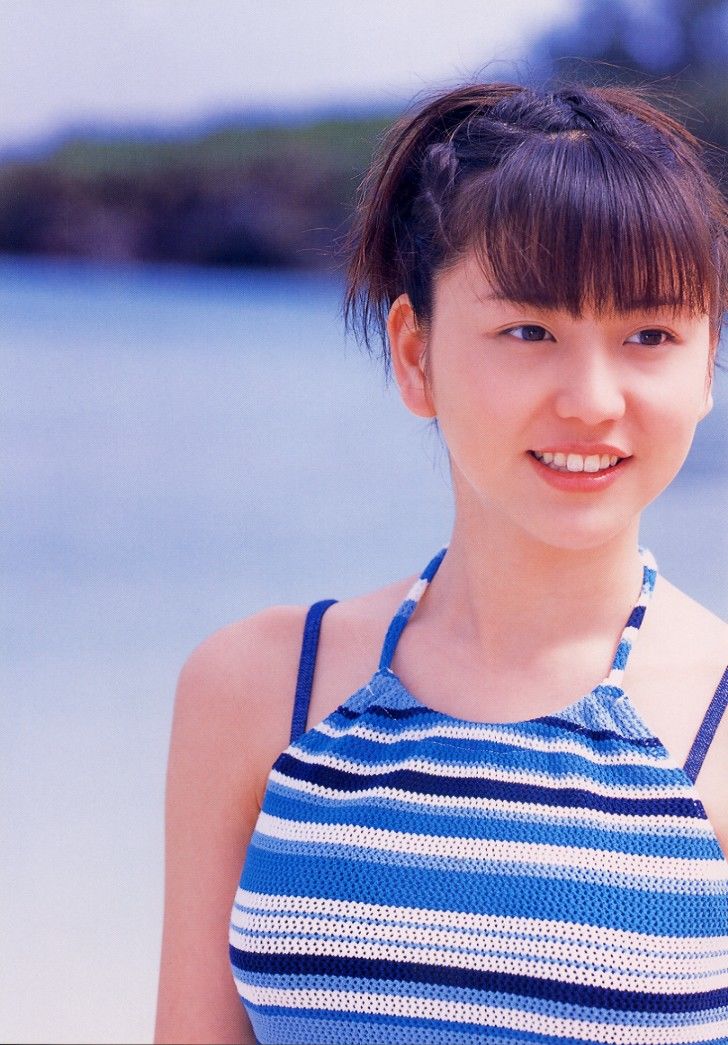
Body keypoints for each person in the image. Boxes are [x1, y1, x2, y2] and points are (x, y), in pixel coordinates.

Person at [154, 82, 728, 1045]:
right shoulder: (258, 691)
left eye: (650, 335)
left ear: (706, 363)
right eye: (530, 331)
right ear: (415, 354)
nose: (592, 399)